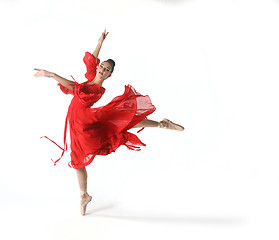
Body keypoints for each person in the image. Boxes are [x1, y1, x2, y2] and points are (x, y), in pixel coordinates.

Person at [34, 30, 184, 216]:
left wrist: (50, 74)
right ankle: (84, 195)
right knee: (78, 162)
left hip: (87, 122)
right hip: (76, 125)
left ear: (109, 75)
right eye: (102, 67)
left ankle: (163, 124)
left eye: (107, 70)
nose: (102, 69)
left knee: (123, 120)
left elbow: (73, 87)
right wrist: (100, 43)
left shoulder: (96, 89)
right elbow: (91, 60)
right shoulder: (91, 76)